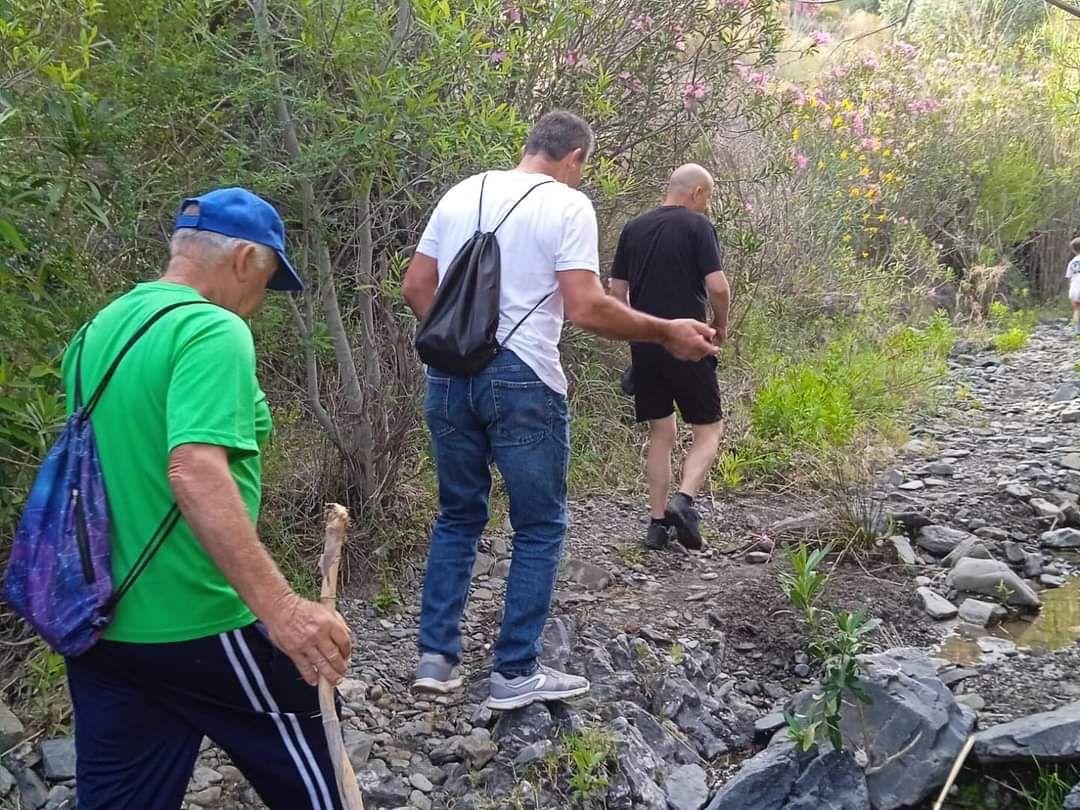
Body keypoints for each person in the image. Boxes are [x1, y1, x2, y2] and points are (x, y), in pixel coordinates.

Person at [402, 112, 718, 710]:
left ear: (530, 147)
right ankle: (514, 671)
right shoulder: (567, 205)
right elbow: (586, 308)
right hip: (522, 378)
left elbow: (417, 286)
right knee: (540, 524)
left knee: (458, 516)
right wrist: (667, 333)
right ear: (574, 157)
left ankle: (435, 659)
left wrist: (463, 339)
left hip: (446, 376)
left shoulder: (461, 193)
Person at [64, 188, 353, 810]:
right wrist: (283, 611)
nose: (261, 301)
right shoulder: (211, 328)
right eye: (270, 278)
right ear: (247, 256)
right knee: (320, 773)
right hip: (198, 618)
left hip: (102, 626)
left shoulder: (96, 332)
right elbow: (194, 470)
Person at [609, 164, 731, 552]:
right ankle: (685, 500)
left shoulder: (634, 228)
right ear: (695, 192)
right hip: (689, 341)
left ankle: (657, 525)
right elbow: (718, 286)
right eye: (707, 198)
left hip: (645, 345)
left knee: (661, 434)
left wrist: (635, 334)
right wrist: (720, 325)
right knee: (709, 429)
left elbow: (616, 293)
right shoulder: (697, 227)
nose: (706, 206)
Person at [1068, 236, 1080, 335]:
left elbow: (1069, 276)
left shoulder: (1072, 262)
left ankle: (1076, 330)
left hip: (1074, 288)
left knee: (1076, 309)